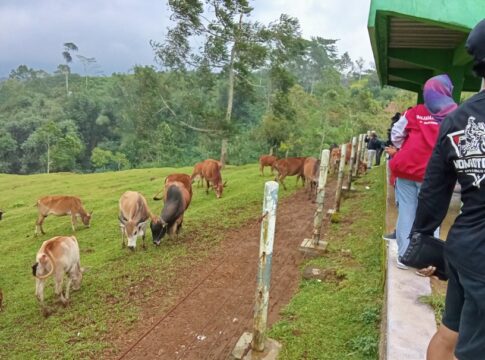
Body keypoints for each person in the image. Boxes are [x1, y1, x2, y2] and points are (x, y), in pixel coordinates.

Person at [410, 19, 485, 360]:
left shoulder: (456, 121)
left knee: (450, 333)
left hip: (463, 248)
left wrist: (423, 242)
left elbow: (434, 191)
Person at [390, 74, 457, 269]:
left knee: (406, 212)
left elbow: (396, 135)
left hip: (406, 169)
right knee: (432, 215)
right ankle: (428, 260)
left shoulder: (414, 112)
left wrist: (406, 147)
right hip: (434, 175)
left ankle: (404, 257)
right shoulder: (455, 115)